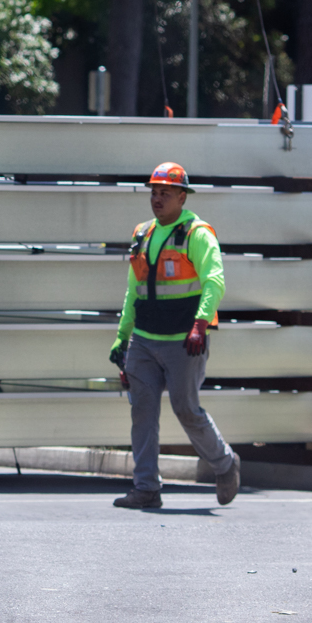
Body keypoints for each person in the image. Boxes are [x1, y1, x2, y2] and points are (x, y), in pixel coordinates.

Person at [107, 162, 241, 510]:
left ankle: (225, 466)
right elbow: (133, 290)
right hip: (145, 341)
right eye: (154, 192)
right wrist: (122, 339)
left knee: (186, 408)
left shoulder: (197, 234)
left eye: (165, 193)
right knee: (143, 411)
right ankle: (146, 488)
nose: (157, 198)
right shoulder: (143, 234)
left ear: (182, 197)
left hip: (184, 341)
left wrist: (199, 324)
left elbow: (214, 280)